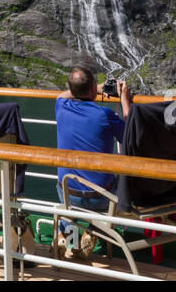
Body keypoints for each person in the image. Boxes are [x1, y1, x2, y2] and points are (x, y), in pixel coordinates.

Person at [54, 67, 131, 212]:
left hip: (67, 193)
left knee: (69, 210)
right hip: (100, 197)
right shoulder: (104, 115)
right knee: (124, 180)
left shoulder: (61, 106)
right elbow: (129, 136)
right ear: (92, 89)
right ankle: (104, 224)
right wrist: (124, 99)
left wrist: (94, 88)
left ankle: (66, 224)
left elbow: (62, 95)